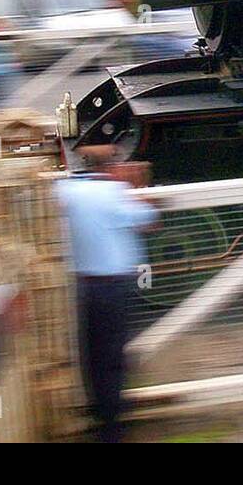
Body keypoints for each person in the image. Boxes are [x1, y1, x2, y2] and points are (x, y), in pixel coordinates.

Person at [55, 145, 158, 442]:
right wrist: (138, 187)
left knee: (92, 355)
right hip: (113, 287)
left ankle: (100, 416)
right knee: (112, 357)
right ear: (112, 167)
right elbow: (149, 219)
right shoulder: (113, 194)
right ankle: (111, 428)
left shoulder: (68, 191)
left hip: (84, 286)